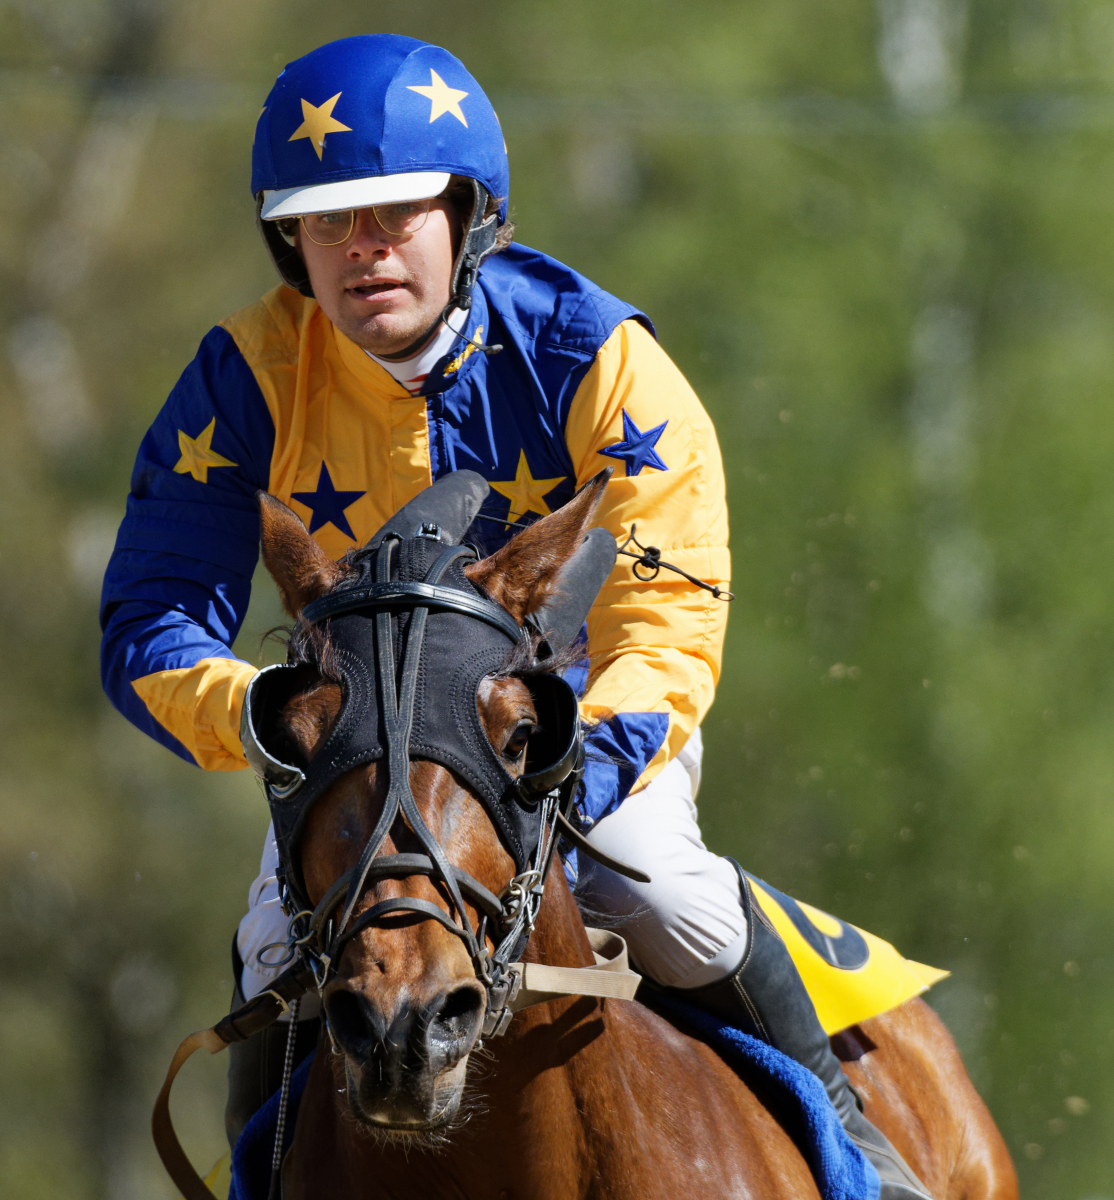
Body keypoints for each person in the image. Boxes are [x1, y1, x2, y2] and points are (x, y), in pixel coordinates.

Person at [99, 34, 929, 1200]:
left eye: (395, 213)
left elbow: (666, 618)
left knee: (658, 892)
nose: (362, 247)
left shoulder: (597, 356)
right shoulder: (241, 376)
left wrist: (576, 762)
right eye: (325, 223)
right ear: (288, 241)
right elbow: (150, 624)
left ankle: (858, 1152)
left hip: (557, 724)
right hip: (357, 752)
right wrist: (279, 718)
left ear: (467, 214)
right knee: (273, 943)